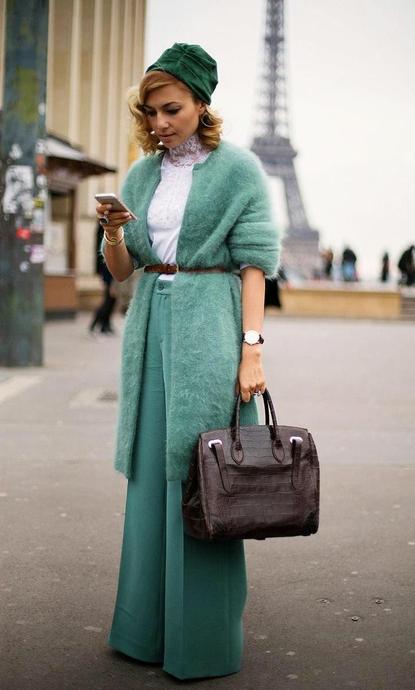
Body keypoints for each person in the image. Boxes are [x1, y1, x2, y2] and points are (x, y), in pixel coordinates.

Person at [95, 43, 281, 681]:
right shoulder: (143, 174)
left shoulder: (240, 171)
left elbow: (254, 262)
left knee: (208, 483)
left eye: (171, 109)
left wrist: (251, 350)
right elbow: (124, 270)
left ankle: (201, 643)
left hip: (210, 328)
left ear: (203, 104)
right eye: (149, 112)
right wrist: (116, 230)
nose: (159, 123)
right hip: (151, 329)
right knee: (151, 482)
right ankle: (142, 631)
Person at [88, 223, 117, 334]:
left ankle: (105, 324)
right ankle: (96, 323)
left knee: (111, 299)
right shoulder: (104, 228)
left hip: (110, 269)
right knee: (109, 298)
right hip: (107, 270)